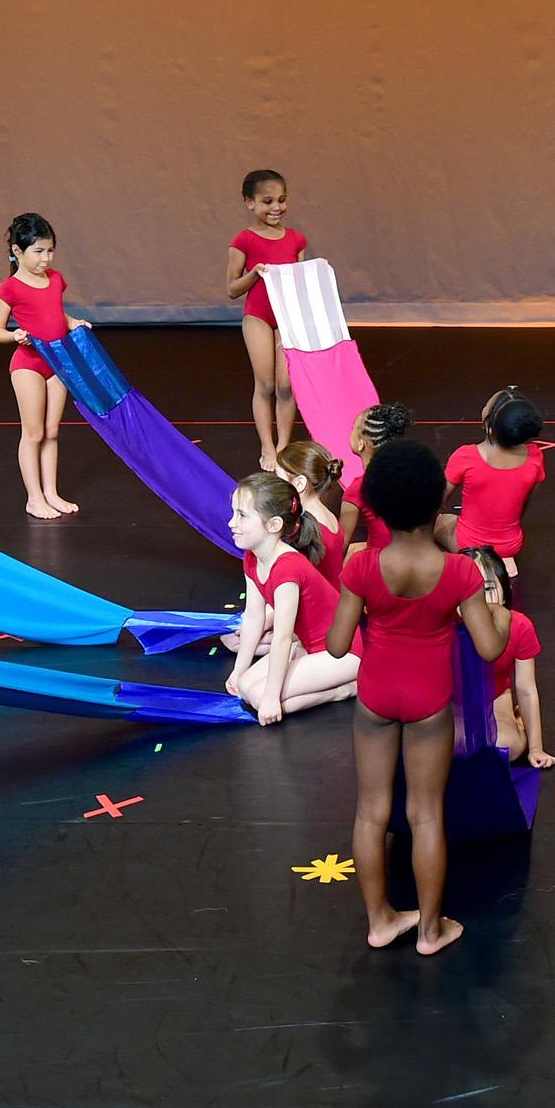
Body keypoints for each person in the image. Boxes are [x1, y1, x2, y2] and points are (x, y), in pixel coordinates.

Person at [326, 441, 509, 956]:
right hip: (429, 700)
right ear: (438, 506)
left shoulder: (362, 566)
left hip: (376, 695)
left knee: (370, 812)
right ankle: (430, 929)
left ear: (377, 506)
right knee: (426, 814)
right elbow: (491, 647)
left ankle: (380, 919)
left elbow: (338, 645)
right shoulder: (460, 573)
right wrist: (492, 612)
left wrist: (372, 616)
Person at [224, 473, 359, 725]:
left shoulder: (287, 567)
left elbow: (284, 637)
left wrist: (272, 698)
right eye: (234, 513)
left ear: (274, 525)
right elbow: (254, 617)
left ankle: (344, 689)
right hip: (308, 647)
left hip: (343, 652)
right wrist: (238, 670)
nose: (232, 523)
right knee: (244, 686)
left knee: (258, 694)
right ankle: (330, 683)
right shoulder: (252, 557)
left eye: (242, 516)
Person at [0, 212, 91, 520]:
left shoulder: (56, 280)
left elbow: (56, 315)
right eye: (38, 251)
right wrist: (14, 334)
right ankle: (33, 498)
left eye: (50, 251)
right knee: (32, 433)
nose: (45, 258)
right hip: (28, 365)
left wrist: (74, 323)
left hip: (57, 363)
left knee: (51, 431)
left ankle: (51, 493)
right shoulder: (10, 288)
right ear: (18, 252)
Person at [226, 169, 309, 470]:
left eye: (282, 200)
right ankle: (267, 447)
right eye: (267, 201)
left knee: (287, 386)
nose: (276, 207)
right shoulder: (244, 240)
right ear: (250, 203)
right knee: (265, 385)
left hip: (287, 318)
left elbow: (301, 283)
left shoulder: (296, 239)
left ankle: (284, 446)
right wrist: (253, 273)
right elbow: (231, 289)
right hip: (258, 317)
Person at [465, 546, 555, 767]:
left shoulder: (519, 625)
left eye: (487, 588)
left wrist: (535, 748)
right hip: (453, 701)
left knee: (505, 747)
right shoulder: (445, 623)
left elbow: (526, 688)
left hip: (495, 695)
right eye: (469, 589)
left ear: (504, 589)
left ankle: (517, 725)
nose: (479, 598)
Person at [443, 388, 547, 573]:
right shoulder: (535, 457)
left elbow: (438, 500)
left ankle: (478, 560)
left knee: (440, 521)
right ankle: (500, 559)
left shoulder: (466, 456)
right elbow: (524, 504)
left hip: (469, 542)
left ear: (489, 428)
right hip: (510, 544)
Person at [340, 403, 414, 554]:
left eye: (352, 429)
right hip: (413, 558)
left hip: (382, 566)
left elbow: (341, 544)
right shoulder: (413, 475)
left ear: (361, 444)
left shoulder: (359, 488)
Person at [277, 440, 350, 593]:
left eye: (278, 479)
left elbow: (295, 586)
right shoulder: (328, 516)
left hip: (318, 610)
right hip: (334, 604)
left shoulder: (307, 530)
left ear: (299, 483)